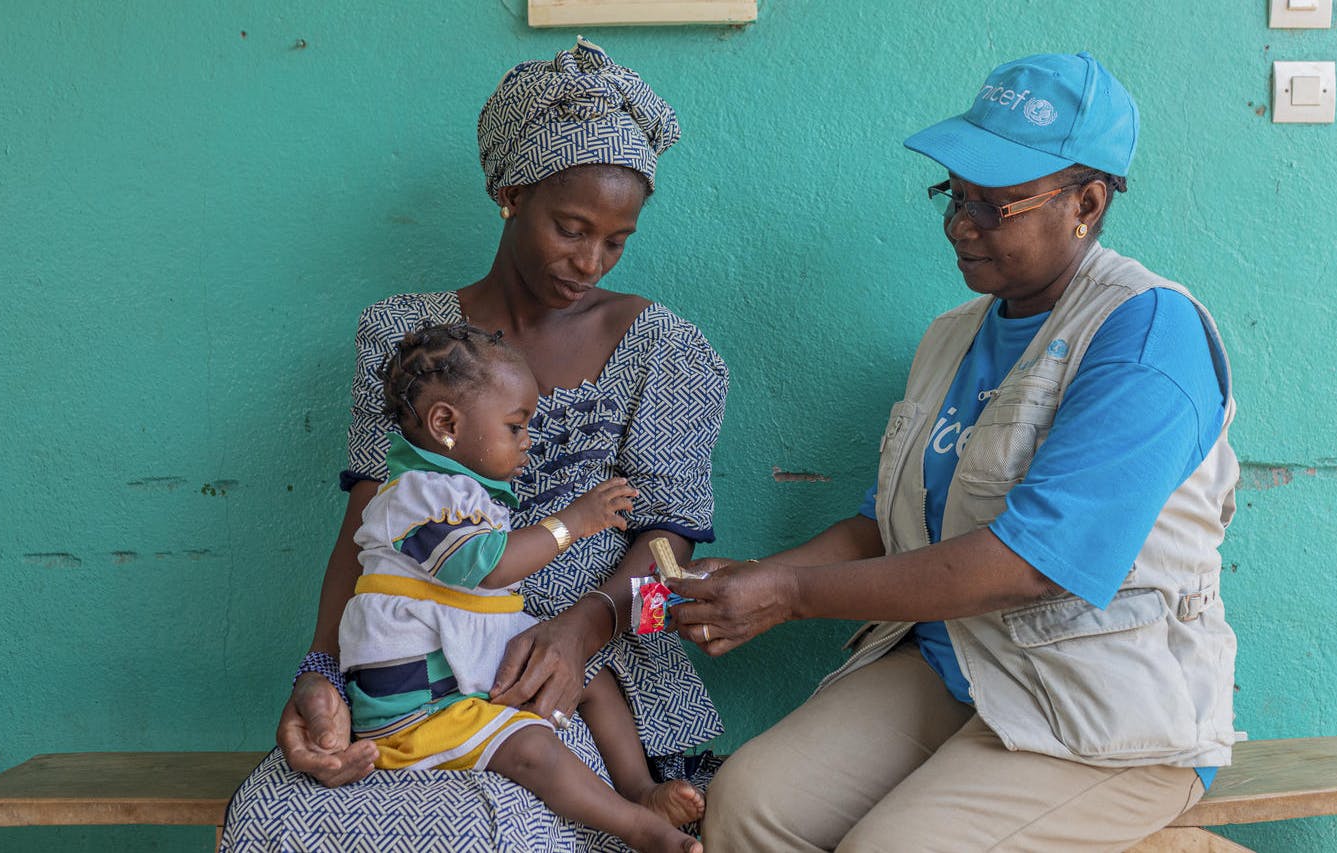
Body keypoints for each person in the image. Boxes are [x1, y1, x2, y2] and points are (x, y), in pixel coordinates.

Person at [669, 52, 1240, 852]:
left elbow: (1034, 561)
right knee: (748, 806)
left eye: (996, 203)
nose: (960, 223)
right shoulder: (953, 336)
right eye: (955, 194)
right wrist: (755, 580)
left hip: (1101, 706)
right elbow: (889, 523)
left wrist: (793, 594)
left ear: (1087, 201)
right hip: (955, 667)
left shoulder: (1147, 334)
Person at [223, 37, 728, 852]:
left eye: (617, 240)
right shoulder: (406, 342)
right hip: (408, 668)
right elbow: (367, 524)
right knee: (288, 817)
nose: (589, 261)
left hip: (578, 676)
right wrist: (322, 671)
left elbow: (671, 555)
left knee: (489, 825)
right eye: (570, 227)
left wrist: (586, 624)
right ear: (507, 192)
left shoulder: (668, 350)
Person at [338, 322, 702, 853]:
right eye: (516, 425)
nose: (527, 440)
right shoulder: (414, 495)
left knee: (591, 671)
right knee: (532, 749)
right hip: (420, 706)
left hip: (458, 659)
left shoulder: (458, 489)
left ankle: (639, 789)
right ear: (446, 423)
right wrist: (572, 522)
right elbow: (486, 567)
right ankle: (639, 831)